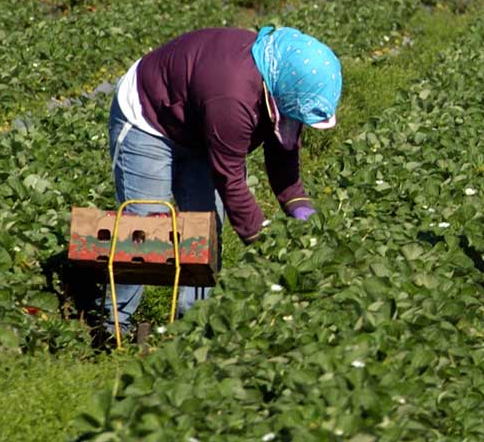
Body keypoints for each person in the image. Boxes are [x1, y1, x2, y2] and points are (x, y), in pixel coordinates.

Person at [102, 25, 340, 334]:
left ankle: (191, 326)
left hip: (199, 126)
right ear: (286, 92)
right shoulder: (234, 94)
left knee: (205, 226)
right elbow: (230, 179)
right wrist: (266, 244)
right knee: (146, 227)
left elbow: (284, 164)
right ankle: (113, 326)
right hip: (149, 117)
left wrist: (302, 210)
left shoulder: (281, 87)